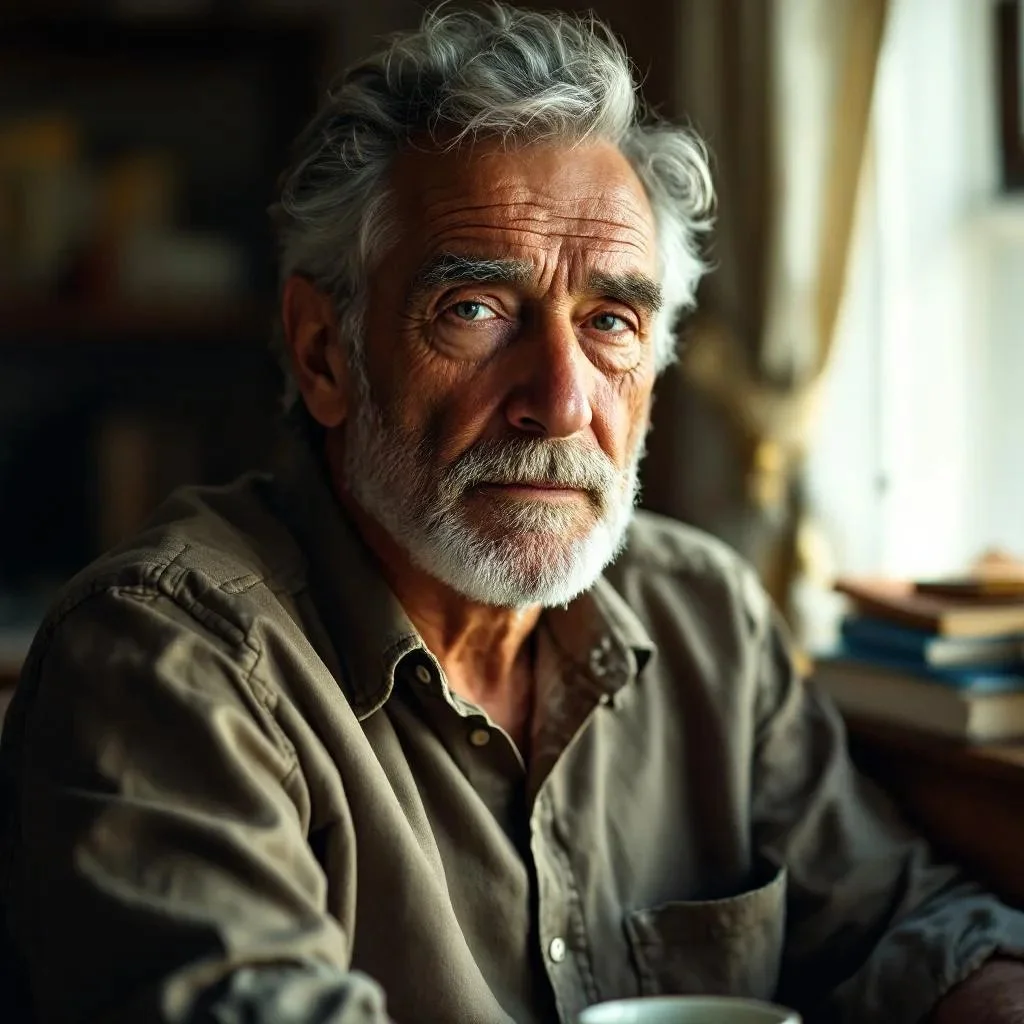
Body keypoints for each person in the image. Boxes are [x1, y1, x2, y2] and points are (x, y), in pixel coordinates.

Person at [2, 6, 1023, 1023]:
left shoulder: (705, 616)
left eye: (610, 322)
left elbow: (905, 920)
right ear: (325, 354)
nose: (563, 399)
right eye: (475, 309)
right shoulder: (163, 662)